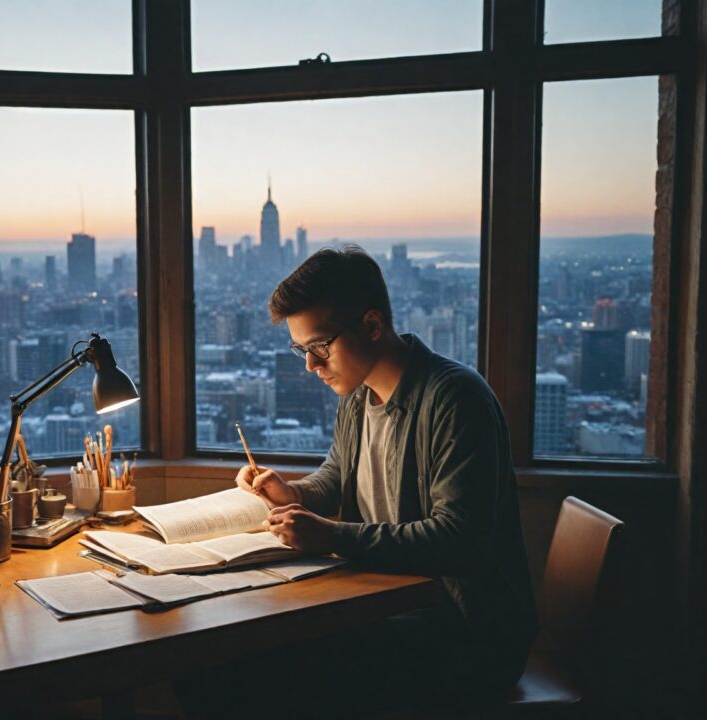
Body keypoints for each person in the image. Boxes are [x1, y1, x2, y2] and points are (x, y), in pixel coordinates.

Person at [178, 245, 537, 719]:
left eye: (319, 346)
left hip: (463, 631)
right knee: (213, 659)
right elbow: (339, 476)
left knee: (248, 669)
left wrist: (331, 535)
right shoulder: (357, 394)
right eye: (301, 350)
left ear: (371, 325)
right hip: (388, 605)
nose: (310, 365)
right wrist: (292, 494)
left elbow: (458, 538)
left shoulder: (455, 399)